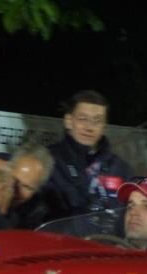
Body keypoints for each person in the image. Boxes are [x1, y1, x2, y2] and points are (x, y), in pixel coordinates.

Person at [43, 89, 132, 221]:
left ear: (104, 125)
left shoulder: (120, 169)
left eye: (97, 121)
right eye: (83, 119)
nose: (89, 127)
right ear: (68, 121)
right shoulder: (47, 161)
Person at [8, 142, 53, 230]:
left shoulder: (38, 219)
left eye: (27, 187)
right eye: (15, 180)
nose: (17, 190)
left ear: (37, 190)